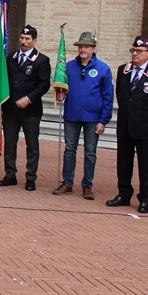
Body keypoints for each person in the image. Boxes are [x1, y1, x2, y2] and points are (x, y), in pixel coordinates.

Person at [106, 36, 148, 214]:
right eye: (133, 50)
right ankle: (124, 194)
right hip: (126, 124)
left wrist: (147, 116)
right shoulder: (123, 70)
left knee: (146, 164)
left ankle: (144, 198)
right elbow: (121, 94)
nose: (135, 54)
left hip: (146, 126)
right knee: (124, 163)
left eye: (140, 51)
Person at [52, 31, 113, 200]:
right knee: (69, 149)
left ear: (93, 48)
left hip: (93, 118)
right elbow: (62, 84)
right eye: (80, 46)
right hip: (72, 114)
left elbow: (108, 96)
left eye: (86, 46)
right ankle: (68, 182)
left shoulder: (103, 69)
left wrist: (104, 120)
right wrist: (60, 94)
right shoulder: (69, 66)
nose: (82, 49)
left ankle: (87, 185)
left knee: (90, 152)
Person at [0, 25, 51, 191]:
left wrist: (28, 99)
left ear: (34, 41)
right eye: (22, 38)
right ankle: (10, 174)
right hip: (11, 110)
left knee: (32, 145)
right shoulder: (11, 57)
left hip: (31, 111)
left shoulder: (42, 60)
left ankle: (30, 178)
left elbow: (44, 85)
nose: (24, 41)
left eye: (28, 39)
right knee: (10, 143)